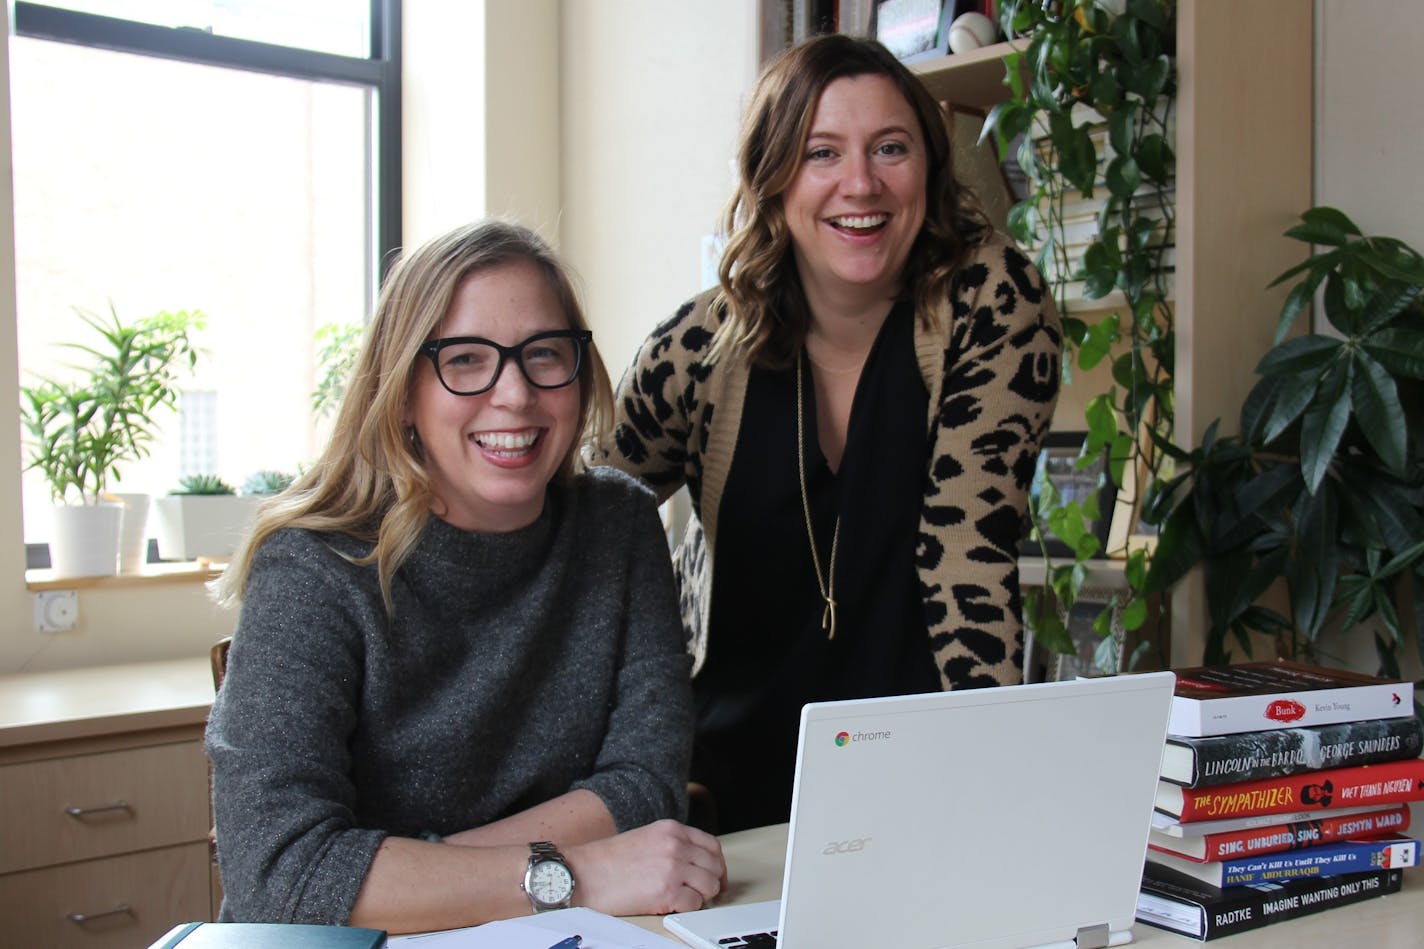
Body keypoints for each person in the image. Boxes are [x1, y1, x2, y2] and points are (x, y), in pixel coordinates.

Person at [597, 34, 1063, 833]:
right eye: (822, 152)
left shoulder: (993, 303)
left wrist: (996, 795)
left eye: (891, 148)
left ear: (930, 168)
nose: (862, 183)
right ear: (772, 178)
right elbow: (580, 527)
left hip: (924, 786)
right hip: (716, 798)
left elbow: (969, 556)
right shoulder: (700, 346)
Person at [206, 220, 726, 933]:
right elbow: (283, 874)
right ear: (403, 389)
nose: (514, 394)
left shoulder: (620, 526)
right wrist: (579, 871)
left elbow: (645, 786)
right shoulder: (311, 565)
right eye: (467, 359)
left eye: (544, 354)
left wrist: (414, 868)